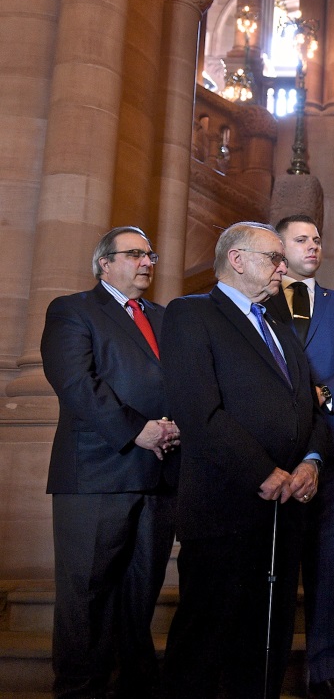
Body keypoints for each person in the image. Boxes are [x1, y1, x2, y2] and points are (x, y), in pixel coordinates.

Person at [160, 222, 327, 699]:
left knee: (266, 643)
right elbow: (199, 410)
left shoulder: (278, 323)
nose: (283, 267)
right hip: (223, 509)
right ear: (237, 259)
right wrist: (262, 472)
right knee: (204, 640)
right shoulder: (191, 314)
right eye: (274, 258)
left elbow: (308, 405)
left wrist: (311, 461)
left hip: (285, 509)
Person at [42, 226, 179, 699]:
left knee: (140, 595)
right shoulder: (73, 310)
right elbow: (76, 383)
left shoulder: (165, 318)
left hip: (159, 474)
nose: (147, 262)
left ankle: (135, 688)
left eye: (150, 254)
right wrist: (135, 429)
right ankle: (80, 689)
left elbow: (185, 380)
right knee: (87, 595)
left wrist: (174, 424)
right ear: (105, 262)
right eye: (135, 254)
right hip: (97, 474)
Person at [266, 215, 334, 699]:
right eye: (301, 239)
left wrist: (322, 393)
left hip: (331, 445)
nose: (313, 246)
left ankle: (327, 673)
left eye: (316, 239)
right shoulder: (257, 301)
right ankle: (264, 670)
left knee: (326, 564)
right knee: (269, 562)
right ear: (277, 247)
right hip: (266, 450)